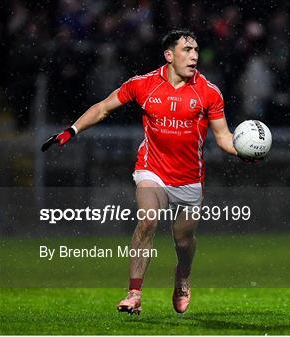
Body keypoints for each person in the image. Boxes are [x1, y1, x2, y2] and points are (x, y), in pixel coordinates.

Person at [42, 30, 240, 315]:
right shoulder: (143, 85)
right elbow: (103, 108)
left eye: (196, 50)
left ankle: (183, 276)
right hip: (152, 168)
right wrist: (70, 131)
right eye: (186, 50)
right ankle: (134, 293)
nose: (194, 55)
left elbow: (223, 137)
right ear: (169, 55)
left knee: (183, 241)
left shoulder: (208, 92)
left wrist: (244, 152)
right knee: (147, 221)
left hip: (189, 178)